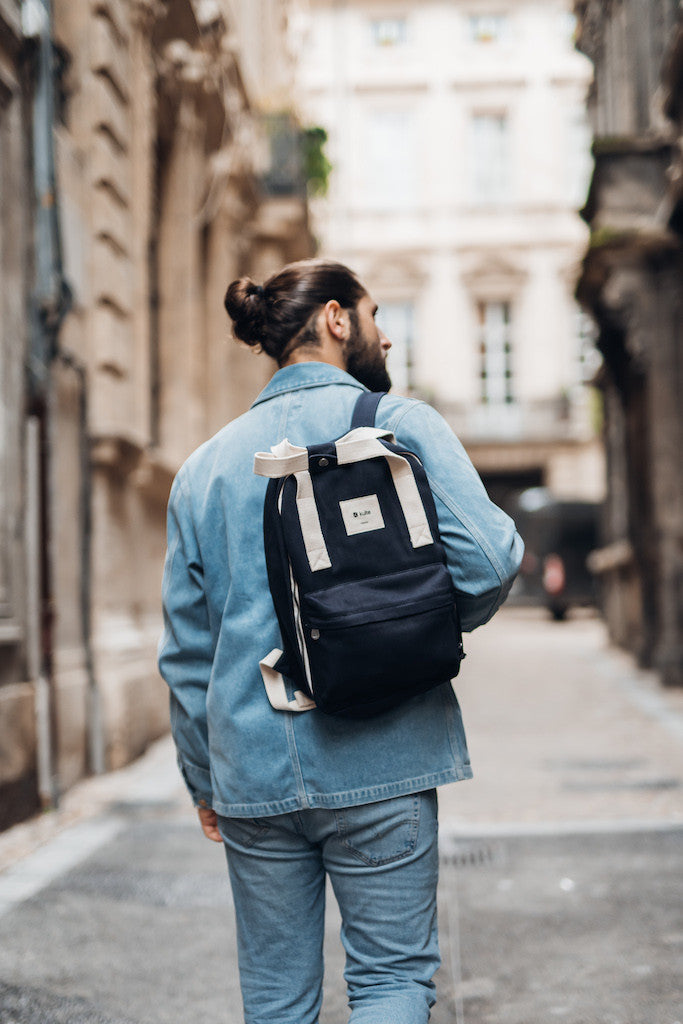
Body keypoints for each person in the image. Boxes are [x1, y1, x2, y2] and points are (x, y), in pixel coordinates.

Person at [158, 258, 523, 1024]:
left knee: (276, 1001)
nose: (385, 336)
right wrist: (403, 633)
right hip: (382, 753)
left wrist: (204, 782)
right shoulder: (402, 425)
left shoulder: (199, 472)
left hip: (250, 768)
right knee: (391, 981)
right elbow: (489, 562)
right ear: (334, 318)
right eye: (375, 314)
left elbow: (187, 656)